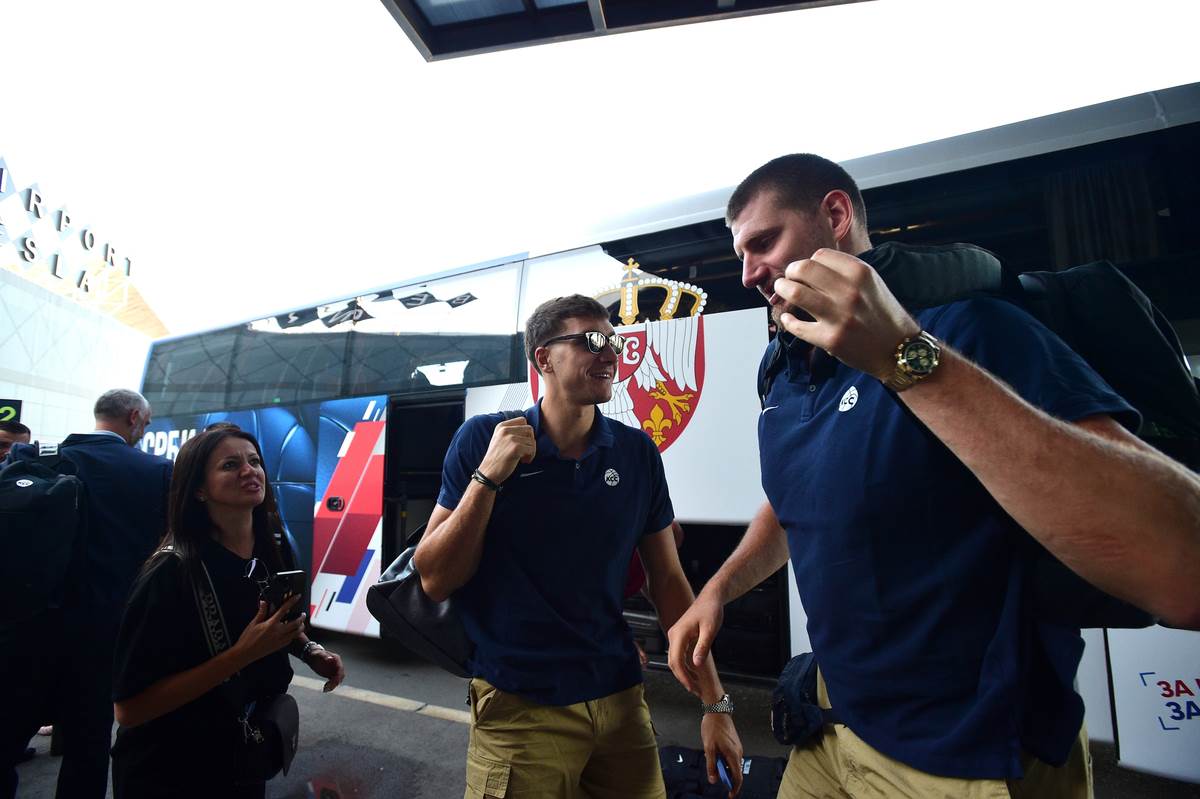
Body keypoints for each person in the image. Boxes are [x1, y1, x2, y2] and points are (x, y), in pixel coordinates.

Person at [667, 154, 1200, 799]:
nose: (748, 273)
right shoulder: (787, 369)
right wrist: (718, 589)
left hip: (967, 756)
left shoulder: (972, 329)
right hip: (828, 728)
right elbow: (793, 501)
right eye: (741, 255)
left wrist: (904, 358)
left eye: (764, 242)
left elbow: (1182, 568)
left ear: (836, 214)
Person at [415, 295, 744, 799]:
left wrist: (715, 704)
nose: (611, 355)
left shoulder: (636, 453)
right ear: (544, 358)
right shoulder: (483, 438)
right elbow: (435, 578)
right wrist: (488, 477)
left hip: (621, 704)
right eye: (592, 341)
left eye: (615, 343)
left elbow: (669, 582)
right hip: (519, 709)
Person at [110, 428, 345, 798]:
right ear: (199, 490)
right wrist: (241, 655)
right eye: (230, 465)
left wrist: (309, 650)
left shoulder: (270, 548)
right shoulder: (170, 573)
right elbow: (130, 710)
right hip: (172, 771)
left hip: (243, 756)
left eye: (254, 461)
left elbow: (274, 623)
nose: (249, 471)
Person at [1, 390, 172, 799]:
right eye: (146, 423)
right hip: (102, 632)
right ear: (134, 417)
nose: (145, 429)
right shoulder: (155, 470)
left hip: (25, 626)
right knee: (88, 746)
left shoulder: (34, 456)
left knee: (7, 735)